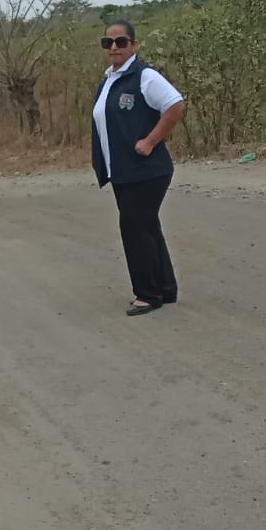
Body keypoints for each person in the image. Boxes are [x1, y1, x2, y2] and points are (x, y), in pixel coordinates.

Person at [89, 19, 187, 317]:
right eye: (108, 42)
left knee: (134, 229)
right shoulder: (109, 79)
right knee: (147, 226)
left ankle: (147, 294)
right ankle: (165, 288)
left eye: (121, 41)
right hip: (123, 171)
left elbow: (175, 106)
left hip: (146, 170)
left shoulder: (144, 76)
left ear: (134, 45)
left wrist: (150, 140)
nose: (114, 47)